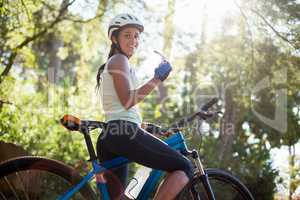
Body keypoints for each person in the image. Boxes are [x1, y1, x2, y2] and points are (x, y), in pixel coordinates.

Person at [95, 13, 194, 200]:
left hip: (111, 135)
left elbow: (121, 110)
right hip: (123, 133)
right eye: (127, 35)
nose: (133, 40)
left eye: (136, 36)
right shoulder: (119, 60)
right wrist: (157, 79)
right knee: (185, 167)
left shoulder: (116, 63)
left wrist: (148, 127)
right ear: (114, 38)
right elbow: (127, 100)